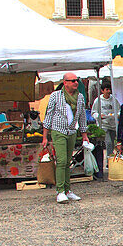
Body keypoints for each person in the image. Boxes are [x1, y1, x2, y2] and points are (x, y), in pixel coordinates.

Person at [41, 73, 89, 204]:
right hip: (58, 130)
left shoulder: (79, 97)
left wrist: (84, 134)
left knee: (67, 161)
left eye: (76, 80)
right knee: (61, 161)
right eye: (72, 81)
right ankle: (60, 190)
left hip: (71, 131)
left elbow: (82, 116)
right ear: (65, 82)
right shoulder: (56, 96)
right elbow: (48, 115)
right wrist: (45, 136)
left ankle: (68, 190)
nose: (75, 83)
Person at [91, 80, 119, 180]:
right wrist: (99, 116)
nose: (108, 91)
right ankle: (109, 163)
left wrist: (116, 115)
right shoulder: (98, 101)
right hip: (104, 125)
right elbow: (93, 112)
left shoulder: (113, 100)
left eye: (109, 89)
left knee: (113, 142)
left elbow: (118, 110)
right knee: (108, 143)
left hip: (113, 125)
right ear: (102, 91)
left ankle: (111, 160)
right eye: (107, 89)